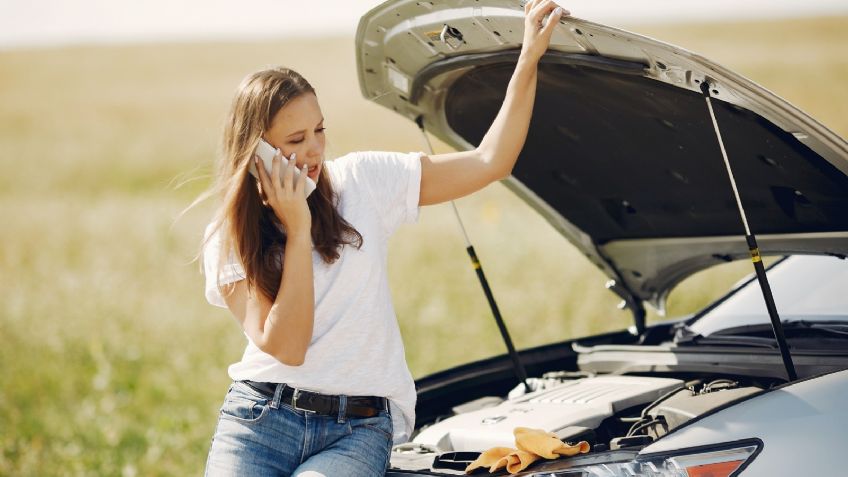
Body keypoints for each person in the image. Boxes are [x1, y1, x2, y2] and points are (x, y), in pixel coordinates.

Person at [201, 1, 567, 475]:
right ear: (257, 152)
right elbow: (288, 347)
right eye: (294, 141)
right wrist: (297, 230)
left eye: (319, 130)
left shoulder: (362, 182)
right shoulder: (228, 234)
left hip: (357, 428)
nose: (314, 149)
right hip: (260, 419)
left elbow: (489, 162)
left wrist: (527, 60)